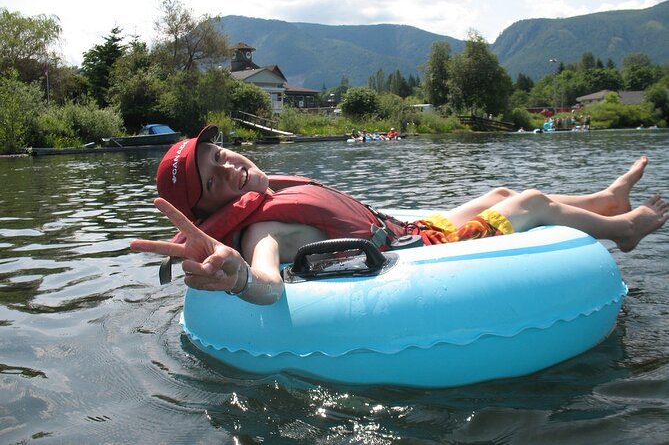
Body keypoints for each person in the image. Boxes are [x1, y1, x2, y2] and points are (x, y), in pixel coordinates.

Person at [131, 126, 668, 305]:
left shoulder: (265, 192)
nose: (229, 166)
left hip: (404, 230)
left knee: (501, 189)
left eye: (221, 153)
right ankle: (622, 231)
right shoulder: (263, 229)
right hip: (416, 251)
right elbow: (268, 282)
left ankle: (605, 203)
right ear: (207, 211)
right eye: (212, 177)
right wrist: (238, 277)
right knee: (528, 203)